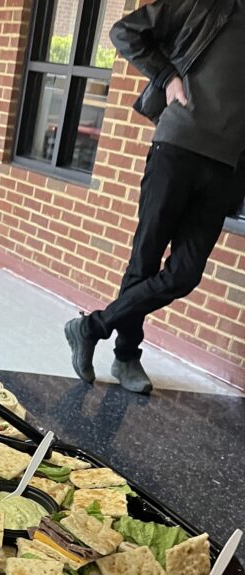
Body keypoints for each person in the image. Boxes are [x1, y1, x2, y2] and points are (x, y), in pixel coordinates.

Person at [65, 0, 245, 394]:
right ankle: (127, 356)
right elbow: (125, 31)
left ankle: (91, 326)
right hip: (177, 146)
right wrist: (166, 76)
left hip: (225, 169)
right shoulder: (209, 6)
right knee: (145, 259)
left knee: (184, 274)